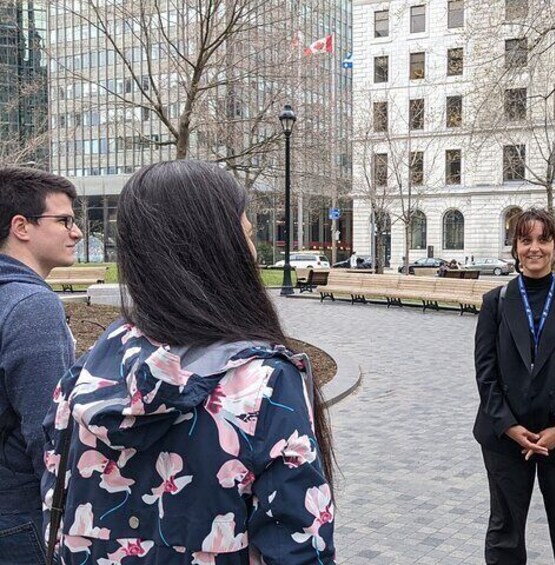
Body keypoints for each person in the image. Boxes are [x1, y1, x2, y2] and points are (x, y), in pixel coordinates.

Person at [41, 161, 335, 564]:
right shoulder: (266, 382)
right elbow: (299, 543)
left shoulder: (89, 369)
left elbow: (53, 490)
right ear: (221, 247)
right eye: (247, 234)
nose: (252, 250)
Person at [473, 208, 555, 564]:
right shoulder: (495, 304)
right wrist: (509, 426)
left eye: (543, 239)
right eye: (525, 240)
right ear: (515, 247)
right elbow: (486, 375)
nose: (534, 248)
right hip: (504, 436)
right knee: (504, 537)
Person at [0, 167, 80, 564]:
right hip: (20, 516)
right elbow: (49, 435)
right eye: (64, 220)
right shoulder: (32, 307)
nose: (76, 232)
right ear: (21, 226)